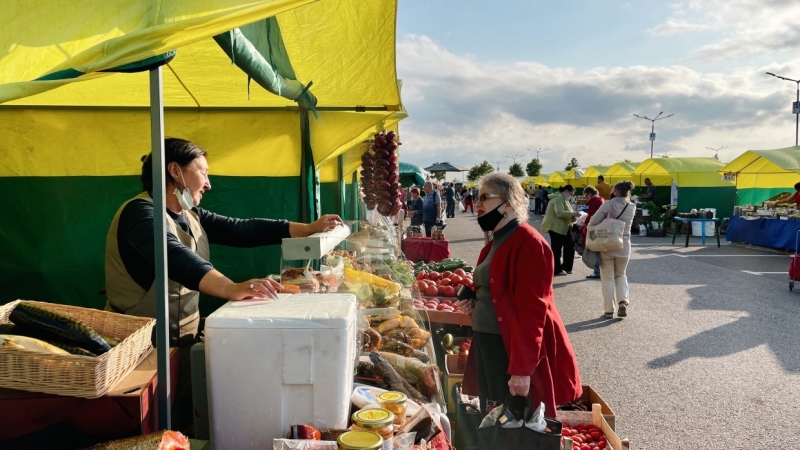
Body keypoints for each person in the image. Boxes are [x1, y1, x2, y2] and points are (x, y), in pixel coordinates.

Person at [105, 138, 343, 428]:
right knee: (151, 425)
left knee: (182, 419)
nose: (208, 183)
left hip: (182, 338)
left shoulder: (189, 215)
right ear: (175, 171)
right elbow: (174, 256)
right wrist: (231, 288)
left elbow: (242, 230)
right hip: (141, 349)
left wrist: (308, 229)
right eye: (203, 172)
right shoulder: (140, 213)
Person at [456, 173, 582, 420]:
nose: (478, 203)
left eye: (485, 196)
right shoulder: (497, 239)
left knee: (511, 423)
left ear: (509, 204)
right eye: (477, 197)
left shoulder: (530, 243)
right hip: (489, 342)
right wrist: (475, 296)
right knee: (494, 417)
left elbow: (532, 310)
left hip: (508, 348)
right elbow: (495, 283)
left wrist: (522, 370)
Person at [588, 181, 636, 319]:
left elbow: (594, 220)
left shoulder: (609, 204)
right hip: (624, 245)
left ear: (616, 192)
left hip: (607, 245)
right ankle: (623, 301)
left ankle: (609, 310)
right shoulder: (632, 206)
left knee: (607, 278)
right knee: (621, 274)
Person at [541, 185, 580, 276]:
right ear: (566, 191)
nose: (571, 196)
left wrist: (572, 215)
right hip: (555, 227)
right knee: (557, 249)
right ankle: (557, 269)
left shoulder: (564, 199)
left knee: (569, 246)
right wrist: (573, 214)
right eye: (571, 194)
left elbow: (567, 211)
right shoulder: (558, 198)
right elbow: (559, 212)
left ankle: (566, 267)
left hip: (563, 227)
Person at [582, 186, 604, 279]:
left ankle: (597, 271)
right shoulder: (601, 199)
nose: (586, 198)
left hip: (594, 227)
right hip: (602, 226)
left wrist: (585, 223)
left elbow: (591, 214)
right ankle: (601, 270)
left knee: (595, 249)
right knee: (601, 250)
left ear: (590, 194)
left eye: (586, 195)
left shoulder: (593, 200)